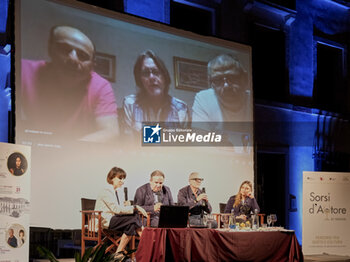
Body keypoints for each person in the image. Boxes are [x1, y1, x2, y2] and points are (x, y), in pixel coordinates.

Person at [20, 25, 118, 142]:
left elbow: (111, 132)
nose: (73, 58)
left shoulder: (101, 86)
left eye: (82, 55)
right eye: (65, 49)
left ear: (92, 65)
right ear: (50, 50)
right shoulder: (23, 69)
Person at [123, 50, 189, 135]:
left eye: (156, 72)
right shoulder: (130, 104)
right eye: (146, 73)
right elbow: (128, 145)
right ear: (140, 80)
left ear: (165, 77)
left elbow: (183, 146)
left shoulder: (181, 108)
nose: (151, 77)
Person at [95, 167, 147, 259]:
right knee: (134, 216)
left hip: (116, 219)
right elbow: (116, 209)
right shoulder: (106, 190)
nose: (122, 181)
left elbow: (121, 209)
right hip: (106, 221)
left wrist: (128, 205)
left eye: (123, 179)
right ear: (112, 178)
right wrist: (135, 207)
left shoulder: (119, 191)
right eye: (120, 178)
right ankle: (146, 241)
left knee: (131, 224)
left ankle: (118, 253)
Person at [192, 54, 250, 122]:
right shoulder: (203, 99)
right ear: (211, 83)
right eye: (218, 80)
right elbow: (200, 132)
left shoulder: (252, 100)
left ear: (245, 79)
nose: (226, 86)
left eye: (232, 77)